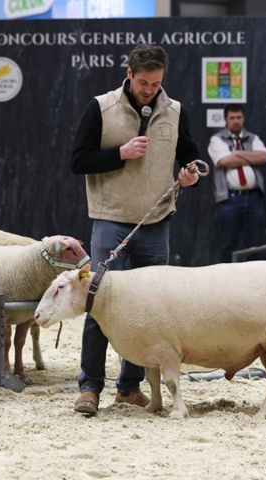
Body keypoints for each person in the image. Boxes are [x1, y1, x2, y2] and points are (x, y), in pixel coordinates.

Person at [70, 44, 201, 416]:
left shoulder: (175, 111)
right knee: (98, 303)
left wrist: (191, 175)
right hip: (110, 219)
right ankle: (90, 388)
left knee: (150, 311)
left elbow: (192, 156)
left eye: (156, 82)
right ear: (129, 74)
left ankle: (128, 387)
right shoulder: (101, 107)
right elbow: (77, 161)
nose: (148, 89)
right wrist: (120, 153)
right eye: (143, 81)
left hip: (156, 223)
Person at [208, 104, 266, 263]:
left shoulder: (253, 137)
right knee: (228, 242)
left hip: (254, 197)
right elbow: (224, 160)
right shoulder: (217, 140)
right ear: (225, 120)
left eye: (239, 117)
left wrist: (238, 153)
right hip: (229, 199)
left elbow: (263, 157)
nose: (236, 121)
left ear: (243, 118)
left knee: (255, 242)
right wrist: (250, 156)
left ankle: (255, 278)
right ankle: (226, 280)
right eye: (232, 118)